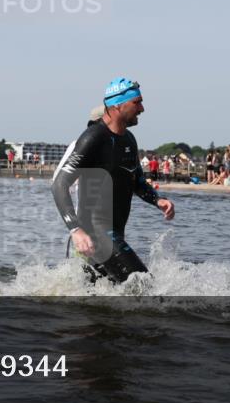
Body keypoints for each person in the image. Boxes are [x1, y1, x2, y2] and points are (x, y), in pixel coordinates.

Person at [52, 77, 175, 284]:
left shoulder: (129, 139)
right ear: (118, 105)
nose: (142, 108)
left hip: (113, 233)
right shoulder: (93, 138)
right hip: (92, 235)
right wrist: (76, 230)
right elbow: (59, 184)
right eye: (137, 102)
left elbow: (136, 181)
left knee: (98, 302)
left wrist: (157, 200)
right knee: (143, 285)